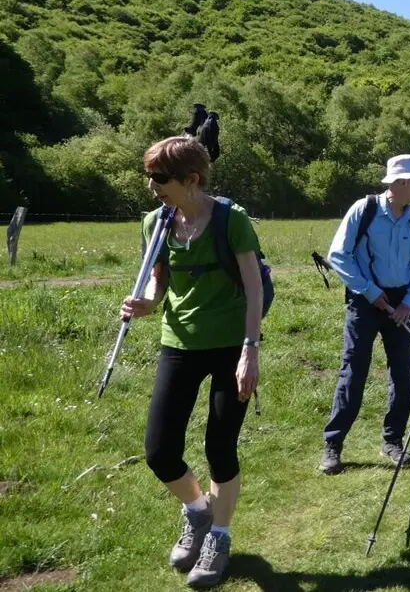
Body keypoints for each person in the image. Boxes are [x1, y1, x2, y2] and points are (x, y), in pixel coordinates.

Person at [120, 136, 262, 587]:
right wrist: (146, 303)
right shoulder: (156, 223)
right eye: (149, 176)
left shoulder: (231, 220)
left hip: (230, 345)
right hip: (178, 342)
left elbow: (254, 288)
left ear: (191, 180)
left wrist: (250, 350)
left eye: (160, 178)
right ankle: (198, 511)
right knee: (159, 451)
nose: (151, 186)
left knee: (220, 447)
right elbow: (159, 282)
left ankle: (219, 536)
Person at [320, 154, 410, 476]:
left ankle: (392, 441)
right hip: (364, 302)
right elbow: (338, 255)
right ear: (401, 183)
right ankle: (333, 444)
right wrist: (370, 291)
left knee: (402, 373)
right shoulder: (364, 209)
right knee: (353, 373)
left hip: (401, 304)